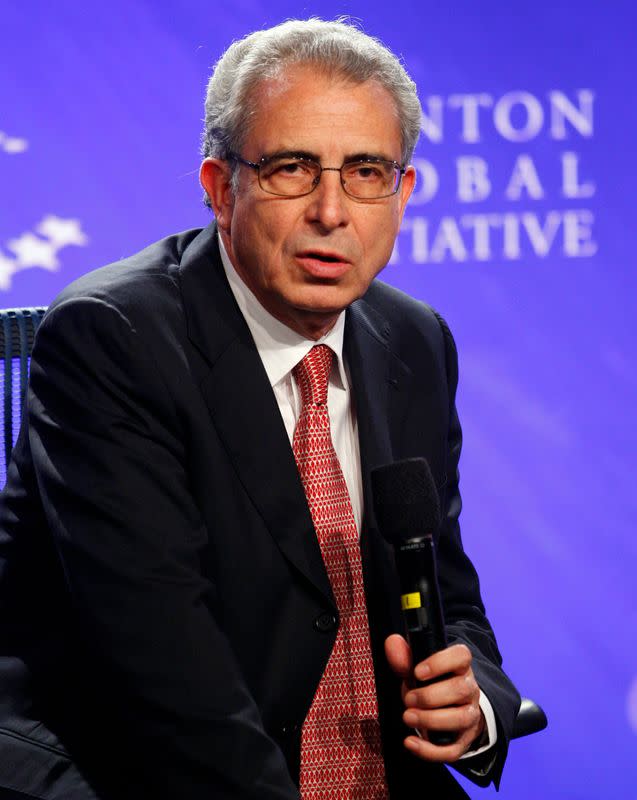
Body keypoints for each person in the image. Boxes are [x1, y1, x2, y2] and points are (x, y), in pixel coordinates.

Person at [0, 18, 520, 800]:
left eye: (366, 171)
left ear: (403, 192)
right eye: (291, 168)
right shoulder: (116, 338)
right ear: (219, 187)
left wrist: (472, 700)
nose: (331, 211)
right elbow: (163, 664)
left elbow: (442, 590)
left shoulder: (411, 339)